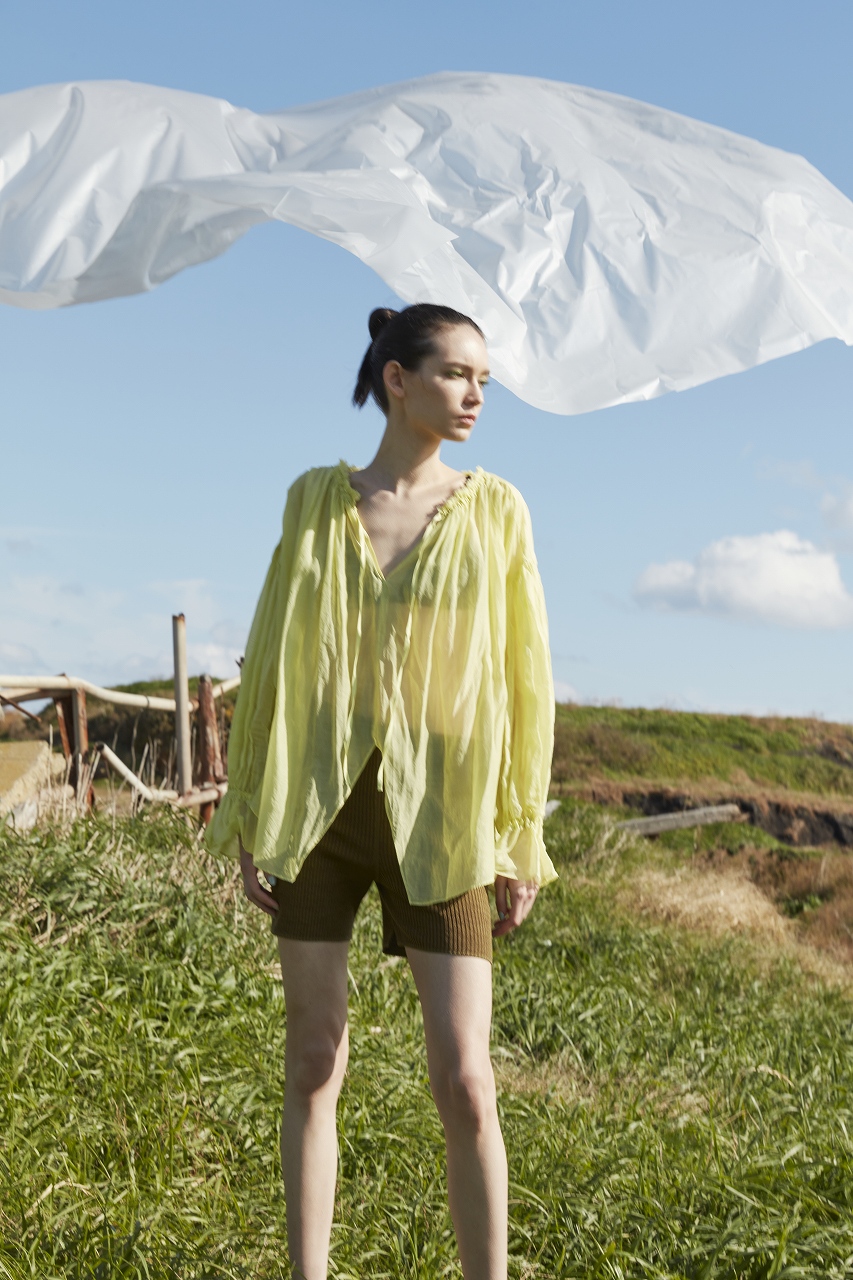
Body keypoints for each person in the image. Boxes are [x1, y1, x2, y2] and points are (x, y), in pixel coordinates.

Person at [206, 303, 556, 1280]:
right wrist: (250, 808)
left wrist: (518, 832)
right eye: (455, 373)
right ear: (396, 379)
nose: (475, 394)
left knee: (467, 1080)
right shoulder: (315, 501)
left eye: (483, 378)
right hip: (319, 809)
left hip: (443, 816)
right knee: (313, 1058)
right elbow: (272, 655)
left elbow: (524, 675)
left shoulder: (495, 509)